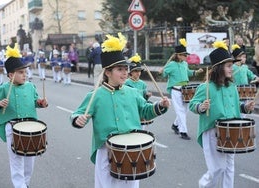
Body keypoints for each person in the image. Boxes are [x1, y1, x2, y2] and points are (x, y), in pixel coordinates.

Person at [70, 32, 170, 188]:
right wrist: (78, 119)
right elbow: (78, 114)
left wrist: (160, 106)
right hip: (106, 149)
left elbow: (145, 110)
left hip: (133, 148)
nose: (125, 72)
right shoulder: (96, 95)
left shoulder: (132, 92)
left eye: (126, 69)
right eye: (120, 69)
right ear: (108, 72)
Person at [189, 41, 255, 188]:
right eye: (229, 66)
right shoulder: (205, 87)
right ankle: (204, 185)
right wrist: (201, 106)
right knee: (217, 168)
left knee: (229, 167)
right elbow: (192, 105)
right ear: (219, 68)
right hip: (213, 131)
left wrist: (245, 106)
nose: (232, 69)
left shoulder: (232, 87)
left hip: (231, 130)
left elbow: (235, 107)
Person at [0, 43, 48, 188]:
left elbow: (35, 100)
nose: (25, 75)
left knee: (30, 161)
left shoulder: (30, 86)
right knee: (16, 160)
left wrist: (41, 102)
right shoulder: (3, 88)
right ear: (11, 75)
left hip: (30, 128)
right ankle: (19, 186)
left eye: (25, 72)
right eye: (21, 72)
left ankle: (25, 184)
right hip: (12, 127)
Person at [161, 38, 203, 140]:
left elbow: (187, 72)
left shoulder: (185, 64)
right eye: (184, 55)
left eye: (186, 55)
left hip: (186, 90)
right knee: (180, 111)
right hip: (176, 90)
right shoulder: (171, 65)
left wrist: (196, 72)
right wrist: (162, 71)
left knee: (185, 110)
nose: (186, 56)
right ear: (178, 55)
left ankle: (175, 125)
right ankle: (183, 131)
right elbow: (163, 74)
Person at [124, 53, 153, 130]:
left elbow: (144, 98)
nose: (138, 73)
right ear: (131, 72)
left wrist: (147, 95)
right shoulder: (126, 82)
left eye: (139, 71)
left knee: (141, 129)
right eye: (136, 71)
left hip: (141, 108)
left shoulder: (142, 83)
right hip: (131, 108)